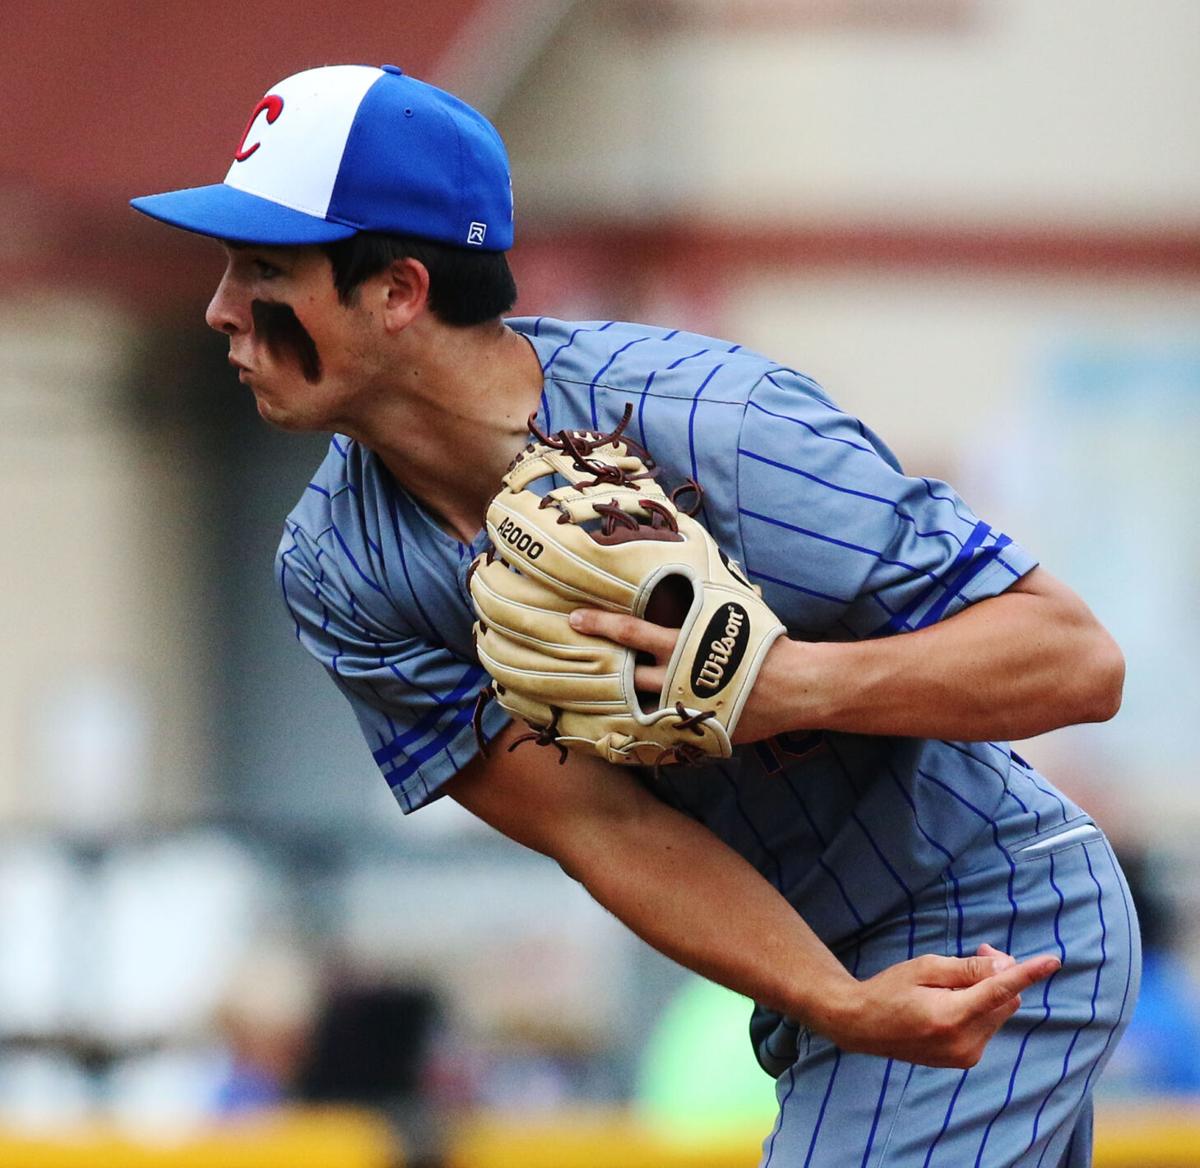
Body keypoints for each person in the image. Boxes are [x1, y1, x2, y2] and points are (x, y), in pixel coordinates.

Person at [131, 64, 1139, 1166]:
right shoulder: (339, 567)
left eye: (265, 269)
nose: (221, 308)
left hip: (992, 915)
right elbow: (603, 826)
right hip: (831, 964)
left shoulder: (718, 426)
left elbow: (1075, 660)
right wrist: (833, 998)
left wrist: (794, 685)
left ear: (400, 289)